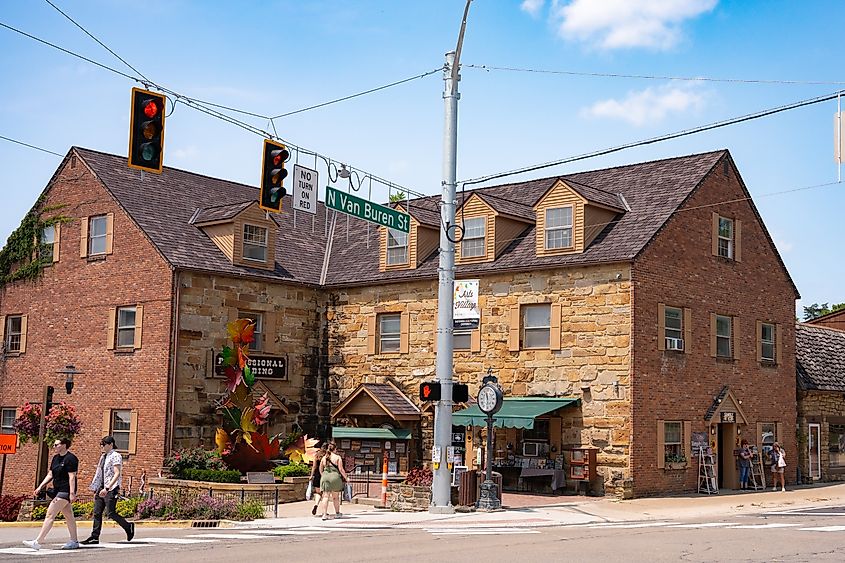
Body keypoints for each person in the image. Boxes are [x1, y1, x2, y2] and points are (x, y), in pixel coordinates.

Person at [23, 437, 80, 551]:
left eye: (56, 444)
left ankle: (38, 541)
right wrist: (40, 487)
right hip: (57, 490)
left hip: (65, 491)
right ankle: (74, 541)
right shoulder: (55, 458)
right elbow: (50, 475)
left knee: (50, 514)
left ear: (64, 445)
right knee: (69, 516)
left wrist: (72, 493)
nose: (54, 447)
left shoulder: (71, 458)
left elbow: (72, 476)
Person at [81, 436, 135, 545]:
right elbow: (99, 473)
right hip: (101, 488)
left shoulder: (116, 456)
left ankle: (128, 526)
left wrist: (108, 488)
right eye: (101, 444)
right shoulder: (103, 457)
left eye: (104, 444)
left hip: (111, 488)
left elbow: (117, 473)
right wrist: (96, 487)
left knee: (111, 513)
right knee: (97, 512)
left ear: (110, 444)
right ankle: (94, 537)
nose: (102, 447)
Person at [318, 441, 348, 521]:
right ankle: (337, 513)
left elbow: (320, 469)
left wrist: (323, 475)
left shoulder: (324, 458)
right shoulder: (338, 457)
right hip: (335, 477)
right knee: (335, 497)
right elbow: (341, 469)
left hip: (325, 477)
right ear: (335, 449)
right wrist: (346, 477)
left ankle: (324, 514)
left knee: (325, 496)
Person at [309, 444, 327, 516]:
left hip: (317, 475)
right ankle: (324, 511)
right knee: (325, 495)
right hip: (324, 475)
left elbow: (314, 466)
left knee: (318, 493)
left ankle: (316, 504)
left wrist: (311, 475)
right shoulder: (327, 456)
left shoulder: (317, 455)